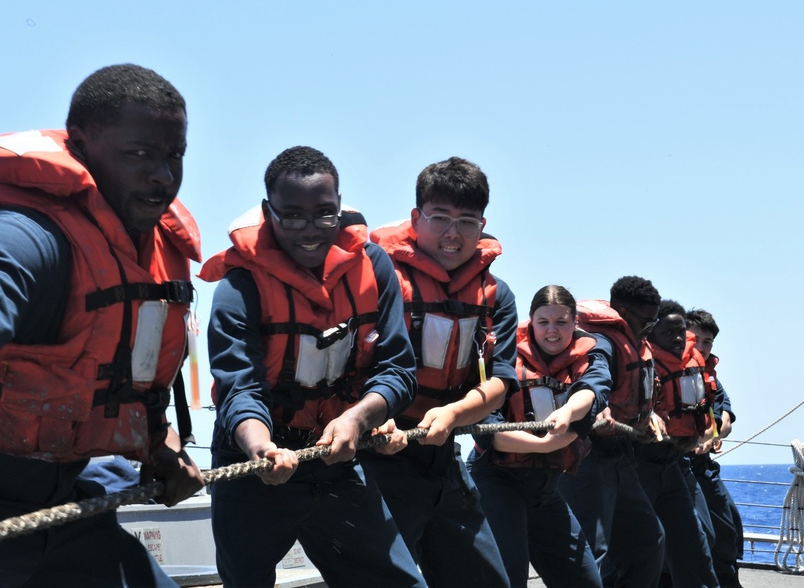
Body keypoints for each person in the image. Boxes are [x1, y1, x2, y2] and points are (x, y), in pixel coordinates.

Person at [0, 64, 204, 587]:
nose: (162, 176)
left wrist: (161, 448)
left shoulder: (152, 258)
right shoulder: (24, 237)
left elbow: (131, 378)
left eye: (174, 155)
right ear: (80, 147)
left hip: (67, 499)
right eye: (139, 154)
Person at [199, 146, 426, 588]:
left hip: (339, 455)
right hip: (256, 464)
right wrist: (259, 446)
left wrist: (359, 418)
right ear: (268, 212)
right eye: (292, 216)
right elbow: (238, 387)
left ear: (340, 208)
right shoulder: (239, 283)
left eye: (325, 214)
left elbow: (398, 369)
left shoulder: (375, 266)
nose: (310, 230)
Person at [360, 156, 518, 588]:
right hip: (377, 457)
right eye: (440, 218)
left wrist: (452, 415)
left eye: (467, 221)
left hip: (444, 456)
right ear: (416, 218)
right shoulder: (377, 277)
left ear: (482, 225)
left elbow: (500, 382)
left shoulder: (496, 297)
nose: (453, 234)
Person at [467, 285, 610, 588]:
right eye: (543, 322)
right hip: (497, 479)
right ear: (531, 321)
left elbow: (593, 390)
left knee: (586, 581)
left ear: (575, 324)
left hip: (546, 489)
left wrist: (569, 412)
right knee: (509, 578)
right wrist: (547, 444)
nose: (552, 331)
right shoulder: (502, 355)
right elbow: (488, 432)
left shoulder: (591, 354)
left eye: (561, 322)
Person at [558, 274, 666, 587]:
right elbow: (593, 376)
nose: (650, 328)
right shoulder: (601, 341)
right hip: (589, 458)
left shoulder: (634, 339)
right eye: (646, 321)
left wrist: (650, 416)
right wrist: (596, 404)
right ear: (622, 312)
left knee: (648, 540)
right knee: (590, 552)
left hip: (620, 457)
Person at [637, 299, 719, 588]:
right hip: (639, 463)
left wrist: (710, 428)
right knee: (644, 544)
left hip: (675, 460)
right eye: (668, 332)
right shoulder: (641, 362)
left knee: (700, 538)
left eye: (681, 332)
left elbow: (710, 403)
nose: (676, 339)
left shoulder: (691, 365)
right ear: (650, 333)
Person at [686, 308, 745, 588]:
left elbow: (726, 419)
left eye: (707, 341)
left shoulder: (712, 379)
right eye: (693, 338)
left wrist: (711, 434)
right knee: (695, 537)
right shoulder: (665, 373)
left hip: (703, 468)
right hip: (674, 467)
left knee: (729, 529)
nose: (700, 346)